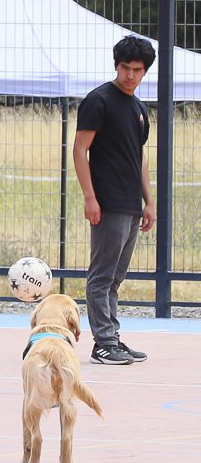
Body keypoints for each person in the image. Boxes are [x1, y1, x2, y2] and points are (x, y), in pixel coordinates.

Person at [73, 35, 157, 366]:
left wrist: (149, 201)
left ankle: (112, 337)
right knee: (102, 276)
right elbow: (80, 149)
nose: (130, 75)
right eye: (125, 68)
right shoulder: (99, 100)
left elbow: (140, 157)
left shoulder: (138, 109)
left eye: (137, 70)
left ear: (145, 71)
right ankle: (103, 343)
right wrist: (90, 197)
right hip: (106, 202)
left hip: (130, 203)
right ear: (116, 66)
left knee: (116, 278)